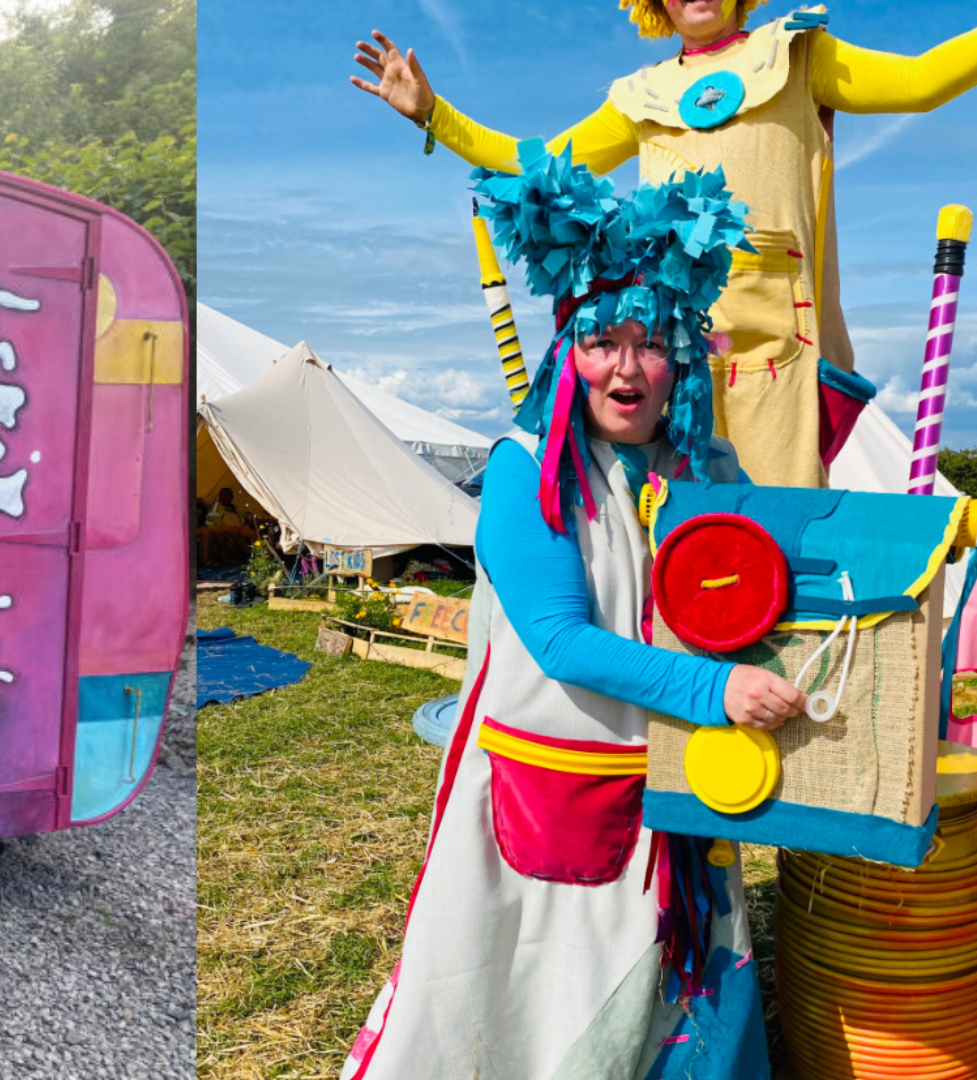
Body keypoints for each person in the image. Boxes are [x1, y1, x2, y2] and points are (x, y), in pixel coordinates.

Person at [341, 159, 806, 1080]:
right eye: (604, 341)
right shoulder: (526, 467)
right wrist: (719, 688)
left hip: (683, 779)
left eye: (652, 342)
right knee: (536, 1002)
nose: (628, 367)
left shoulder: (709, 467)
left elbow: (758, 589)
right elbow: (559, 642)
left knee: (686, 989)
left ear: (683, 357)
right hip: (551, 789)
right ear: (570, 351)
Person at [351, 0, 977, 488]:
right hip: (665, 348)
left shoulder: (795, 51)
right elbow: (540, 162)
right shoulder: (639, 93)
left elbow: (921, 82)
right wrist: (433, 114)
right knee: (672, 521)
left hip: (776, 345)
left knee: (776, 524)